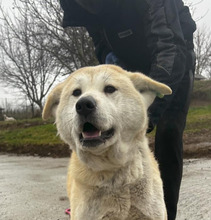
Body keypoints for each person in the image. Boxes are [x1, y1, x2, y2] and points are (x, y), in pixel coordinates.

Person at [59, 1, 196, 219]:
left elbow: (170, 48)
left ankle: (163, 212)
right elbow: (103, 46)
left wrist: (145, 114)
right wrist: (113, 71)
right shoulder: (87, 11)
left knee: (169, 132)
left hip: (172, 63)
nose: (85, 4)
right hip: (127, 72)